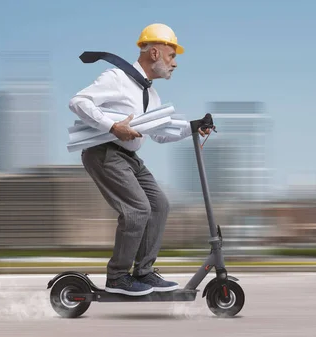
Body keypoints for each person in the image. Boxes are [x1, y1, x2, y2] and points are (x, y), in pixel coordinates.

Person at [68, 23, 212, 296]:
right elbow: (79, 101)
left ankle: (143, 272)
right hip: (105, 152)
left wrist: (193, 126)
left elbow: (159, 134)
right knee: (137, 209)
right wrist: (112, 127)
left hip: (129, 156)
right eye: (172, 56)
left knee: (159, 205)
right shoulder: (117, 78)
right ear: (155, 53)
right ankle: (118, 277)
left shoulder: (152, 94)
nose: (175, 64)